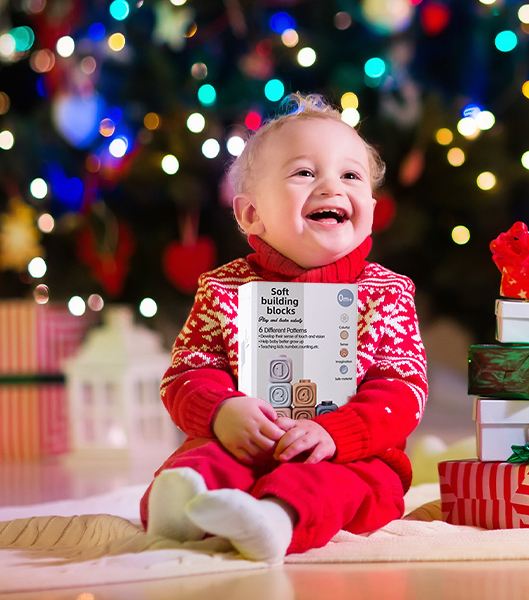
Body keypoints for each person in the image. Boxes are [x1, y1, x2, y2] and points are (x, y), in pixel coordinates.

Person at [138, 93, 427, 563]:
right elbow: (186, 373)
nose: (332, 188)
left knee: (336, 485)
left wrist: (338, 433)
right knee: (204, 460)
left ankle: (275, 520)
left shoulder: (387, 293)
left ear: (371, 207)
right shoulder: (226, 288)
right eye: (305, 173)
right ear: (251, 214)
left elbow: (402, 390)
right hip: (248, 439)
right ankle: (181, 507)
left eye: (350, 176)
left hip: (350, 455)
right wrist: (221, 411)